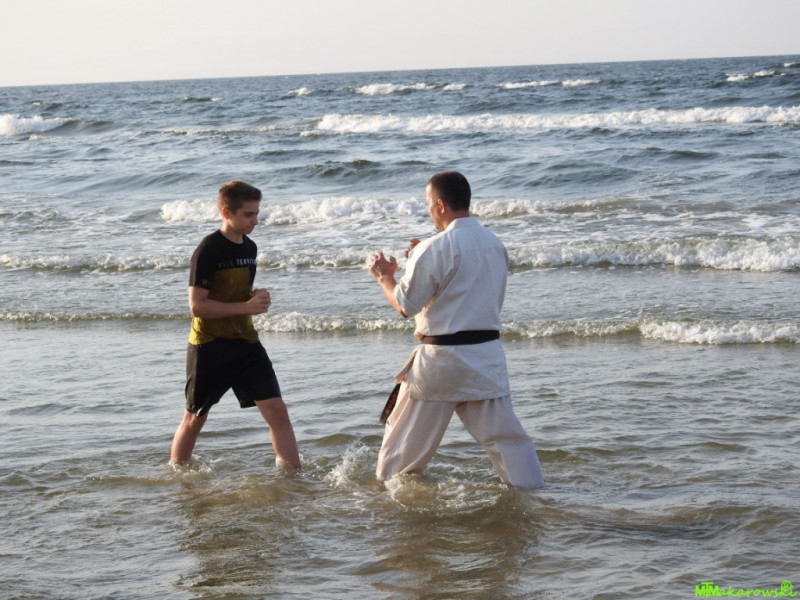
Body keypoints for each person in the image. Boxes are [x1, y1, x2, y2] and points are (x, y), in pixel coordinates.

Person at [368, 171, 543, 489]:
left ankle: (386, 497)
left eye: (428, 204)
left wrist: (385, 277)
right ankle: (533, 494)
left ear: (440, 205)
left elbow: (405, 306)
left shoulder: (433, 248)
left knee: (401, 447)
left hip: (441, 361)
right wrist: (418, 259)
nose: (428, 211)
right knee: (509, 442)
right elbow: (465, 288)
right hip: (486, 357)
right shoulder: (494, 244)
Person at [170, 180, 301, 470]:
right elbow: (197, 306)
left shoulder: (250, 248)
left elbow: (233, 293)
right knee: (194, 418)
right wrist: (245, 307)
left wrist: (254, 297)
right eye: (248, 215)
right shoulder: (208, 250)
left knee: (277, 411)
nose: (255, 221)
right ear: (227, 213)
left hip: (246, 343)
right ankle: (178, 477)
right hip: (209, 346)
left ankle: (293, 479)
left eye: (257, 213)